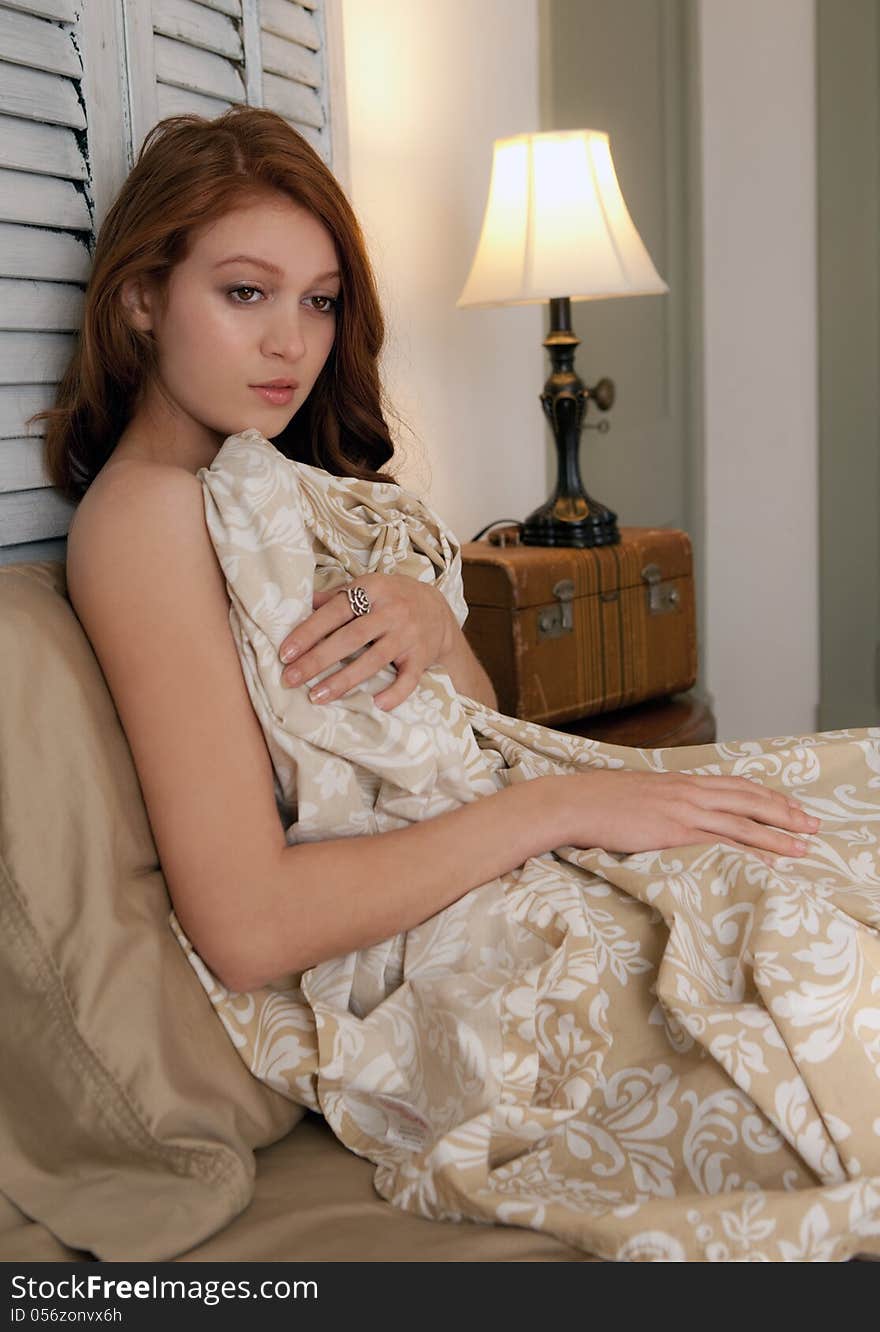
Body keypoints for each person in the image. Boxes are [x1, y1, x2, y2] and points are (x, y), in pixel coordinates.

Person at [34, 108, 878, 1262]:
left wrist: (433, 623)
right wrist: (566, 808)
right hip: (447, 948)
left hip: (510, 847)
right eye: (245, 293)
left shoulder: (283, 480)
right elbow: (245, 924)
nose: (291, 341)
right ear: (140, 298)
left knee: (821, 839)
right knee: (795, 946)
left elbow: (481, 729)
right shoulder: (142, 519)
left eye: (319, 301)